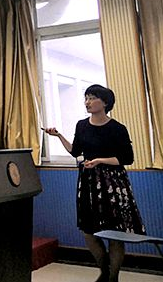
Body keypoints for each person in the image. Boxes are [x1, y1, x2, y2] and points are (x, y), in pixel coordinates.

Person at [44, 84, 145, 282]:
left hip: (113, 184)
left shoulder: (117, 128)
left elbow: (127, 158)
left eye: (92, 98)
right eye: (86, 98)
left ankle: (113, 278)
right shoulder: (81, 125)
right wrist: (58, 136)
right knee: (89, 232)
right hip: (88, 183)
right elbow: (75, 151)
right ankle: (104, 272)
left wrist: (100, 160)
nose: (87, 102)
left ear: (105, 102)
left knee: (115, 233)